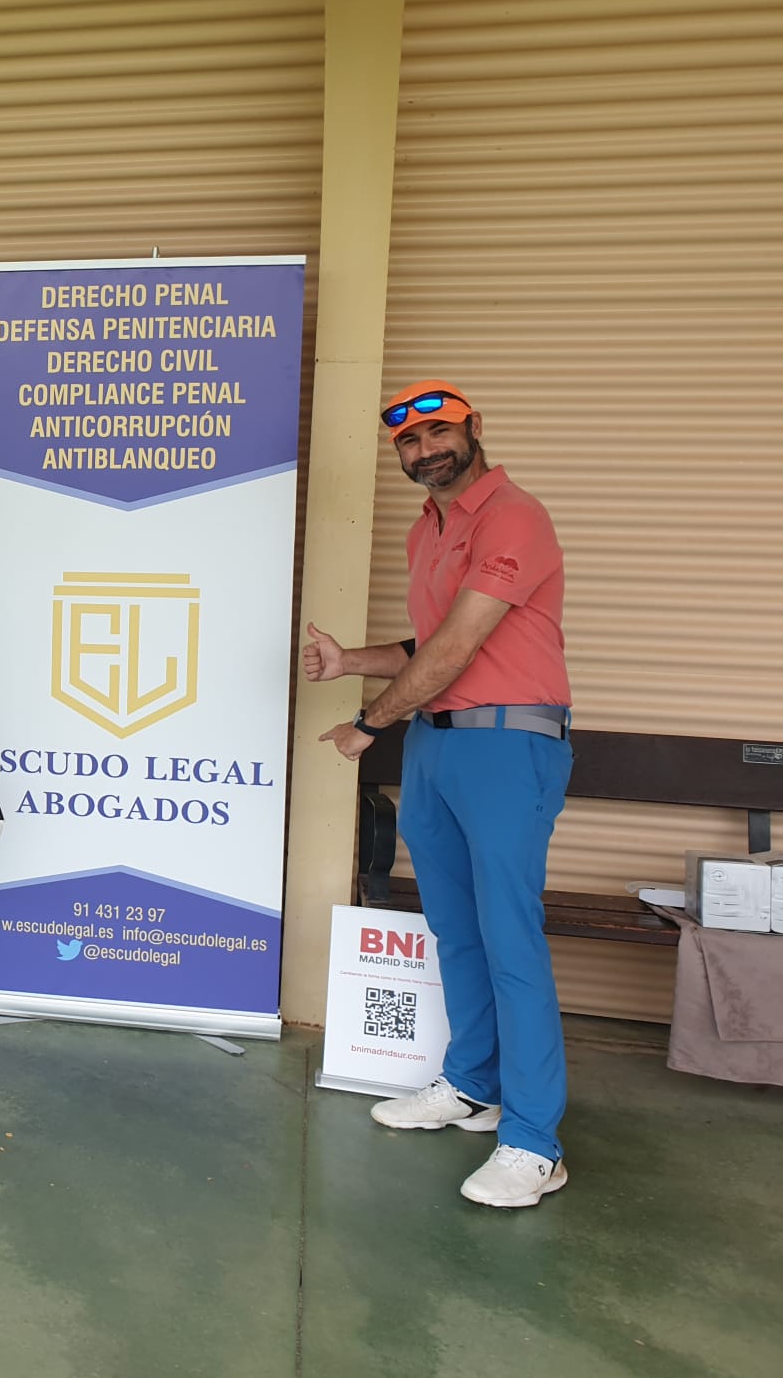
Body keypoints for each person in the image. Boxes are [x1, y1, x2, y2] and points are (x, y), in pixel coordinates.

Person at [305, 379, 573, 1208]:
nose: (426, 451)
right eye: (410, 442)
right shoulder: (429, 528)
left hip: (508, 745)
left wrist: (369, 723)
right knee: (455, 931)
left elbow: (459, 646)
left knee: (510, 940)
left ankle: (534, 1142)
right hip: (438, 743)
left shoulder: (513, 516)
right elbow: (429, 642)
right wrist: (349, 661)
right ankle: (472, 1085)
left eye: (439, 433)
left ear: (473, 428)